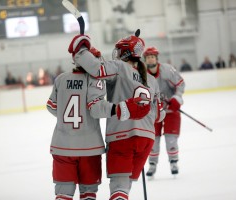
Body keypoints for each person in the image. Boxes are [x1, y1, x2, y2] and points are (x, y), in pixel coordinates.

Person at [69, 32, 165, 200]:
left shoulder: (120, 67)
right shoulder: (152, 80)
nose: (117, 54)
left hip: (122, 136)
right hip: (146, 139)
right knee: (125, 186)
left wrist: (81, 50)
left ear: (126, 52)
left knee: (118, 187)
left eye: (120, 51)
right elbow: (159, 116)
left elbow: (97, 70)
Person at [46, 46, 150, 200]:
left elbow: (52, 107)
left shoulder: (61, 78)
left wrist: (68, 122)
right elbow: (96, 109)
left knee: (63, 193)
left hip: (62, 146)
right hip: (90, 147)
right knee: (88, 193)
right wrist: (120, 109)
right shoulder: (96, 79)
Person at [143, 46, 185, 177]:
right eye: (148, 57)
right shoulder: (142, 74)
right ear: (145, 60)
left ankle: (173, 162)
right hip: (153, 113)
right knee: (153, 140)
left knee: (171, 139)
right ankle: (152, 164)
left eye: (152, 57)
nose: (150, 59)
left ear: (156, 58)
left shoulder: (167, 70)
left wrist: (176, 98)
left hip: (171, 111)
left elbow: (180, 84)